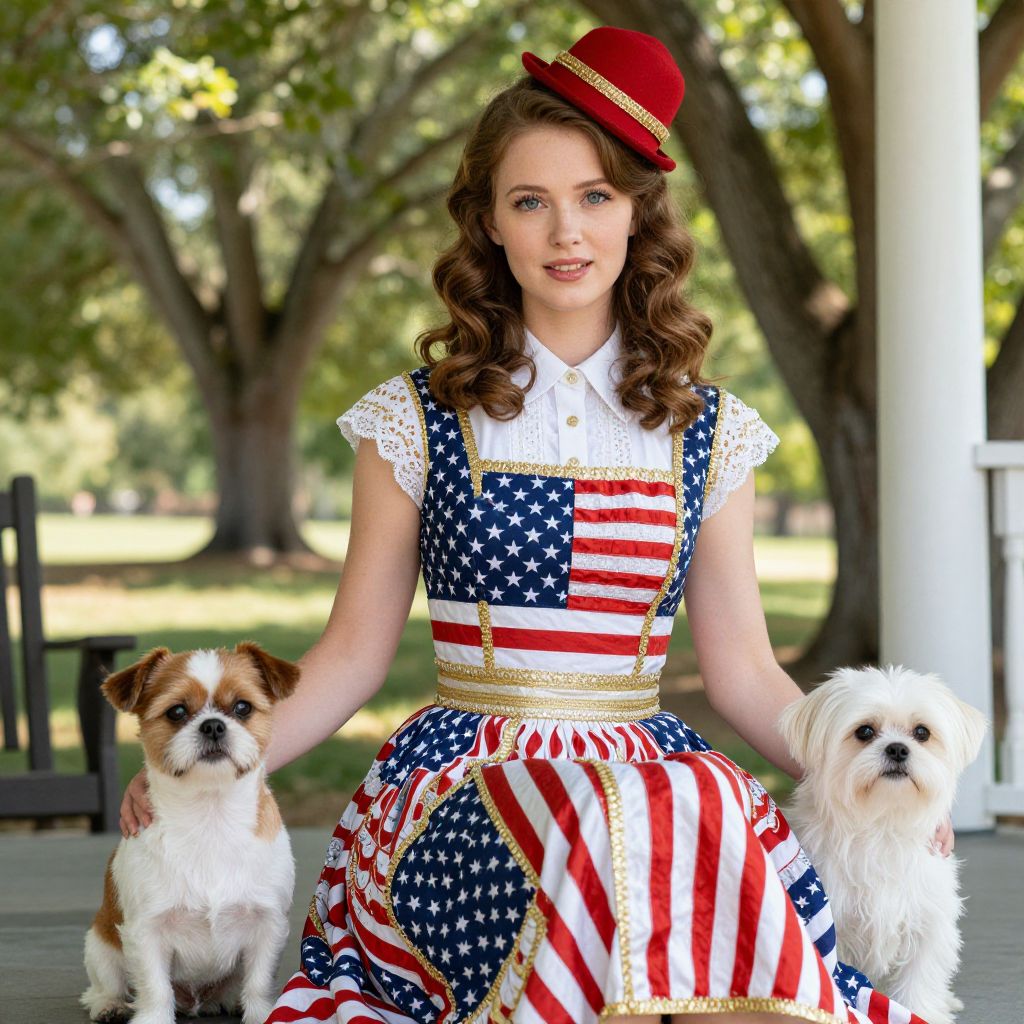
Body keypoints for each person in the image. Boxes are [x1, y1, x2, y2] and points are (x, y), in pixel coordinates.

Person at [119, 26, 953, 1024]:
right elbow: (348, 657)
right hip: (470, 778)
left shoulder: (706, 428)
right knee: (589, 818)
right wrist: (202, 771)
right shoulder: (417, 418)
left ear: (638, 216)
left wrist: (891, 783)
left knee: (697, 801)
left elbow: (740, 670)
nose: (566, 232)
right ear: (490, 225)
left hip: (640, 767)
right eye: (531, 201)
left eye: (595, 197)